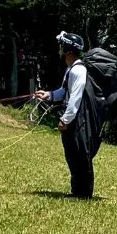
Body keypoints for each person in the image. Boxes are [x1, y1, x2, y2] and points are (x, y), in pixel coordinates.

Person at [34, 31, 103, 199]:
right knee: (72, 154)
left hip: (78, 118)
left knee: (80, 154)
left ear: (68, 50)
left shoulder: (78, 70)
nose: (59, 49)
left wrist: (65, 119)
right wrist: (48, 95)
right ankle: (77, 191)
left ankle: (83, 193)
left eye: (61, 46)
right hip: (73, 116)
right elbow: (64, 92)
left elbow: (75, 98)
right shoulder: (70, 70)